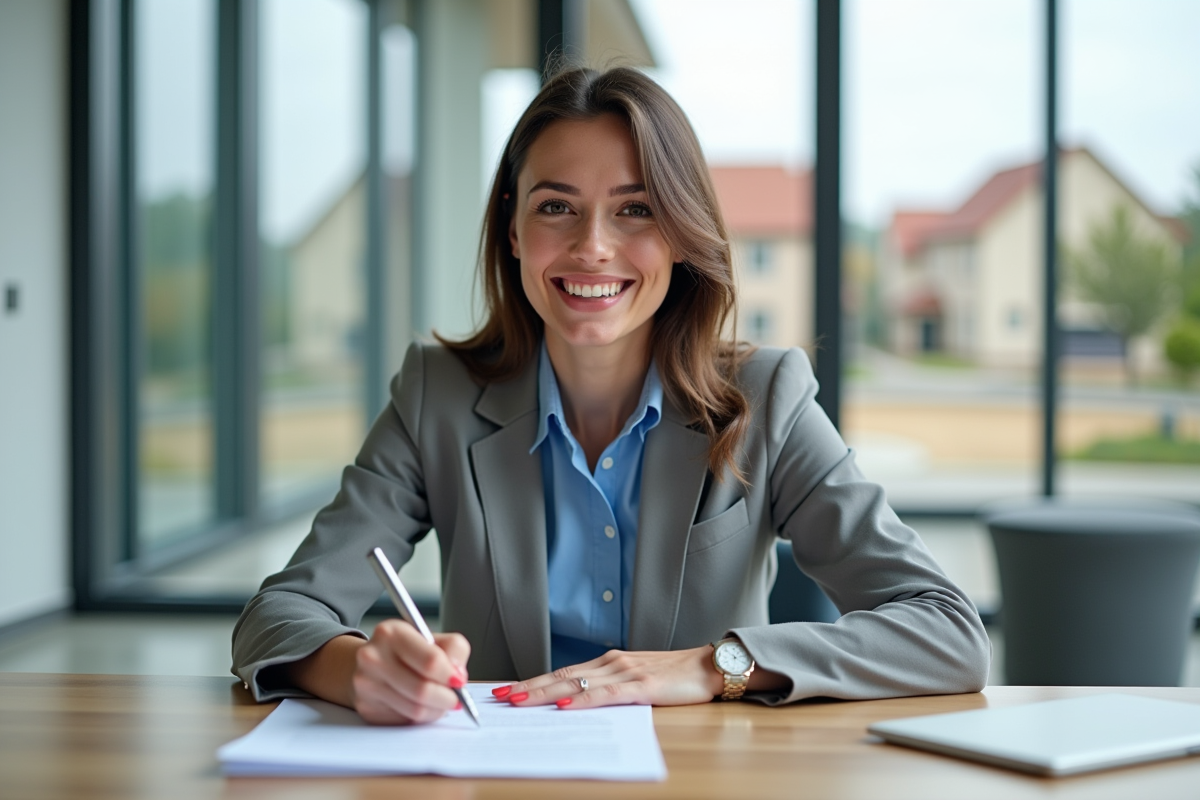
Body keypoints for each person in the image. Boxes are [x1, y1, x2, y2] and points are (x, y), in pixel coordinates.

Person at [232, 65, 990, 725]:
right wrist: (357, 667)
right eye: (556, 206)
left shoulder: (767, 396)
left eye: (636, 209)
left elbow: (946, 631)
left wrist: (707, 667)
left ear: (682, 233)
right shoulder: (438, 394)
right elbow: (278, 615)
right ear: (513, 232)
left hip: (702, 780)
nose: (593, 244)